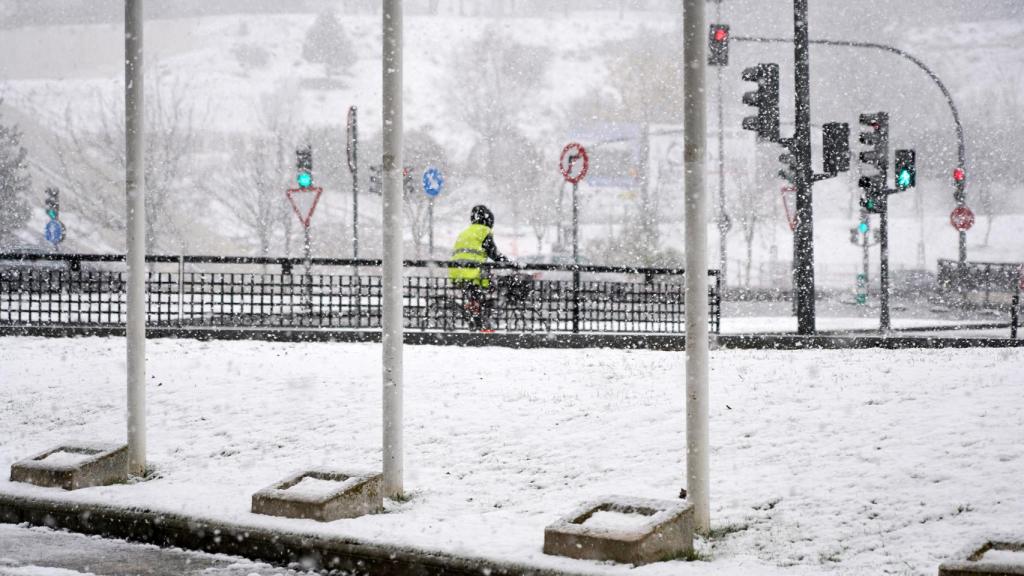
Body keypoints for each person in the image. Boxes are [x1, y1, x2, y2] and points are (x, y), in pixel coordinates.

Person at [448, 205, 509, 330]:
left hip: (457, 271)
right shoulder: (483, 231)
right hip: (472, 271)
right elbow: (493, 253)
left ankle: (475, 318)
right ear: (488, 220)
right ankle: (480, 323)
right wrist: (508, 262)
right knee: (490, 287)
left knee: (476, 294)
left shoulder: (466, 231)